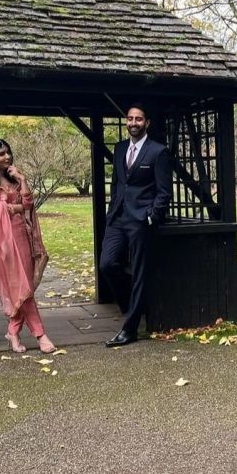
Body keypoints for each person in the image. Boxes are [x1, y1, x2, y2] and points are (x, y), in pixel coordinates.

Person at [100, 103, 172, 347]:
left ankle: (130, 329)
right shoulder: (120, 149)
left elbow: (164, 192)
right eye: (130, 118)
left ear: (147, 123)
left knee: (141, 271)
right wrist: (112, 210)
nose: (133, 123)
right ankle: (132, 306)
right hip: (118, 218)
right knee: (107, 264)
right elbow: (117, 183)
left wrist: (151, 216)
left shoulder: (158, 152)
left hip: (142, 220)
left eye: (138, 119)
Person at [0, 139, 56, 354]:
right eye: (1, 154)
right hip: (4, 242)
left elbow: (29, 204)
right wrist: (16, 207)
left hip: (22, 236)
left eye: (8, 152)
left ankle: (12, 331)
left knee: (25, 287)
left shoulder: (13, 178)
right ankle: (41, 335)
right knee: (23, 289)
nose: (7, 157)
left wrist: (22, 179)